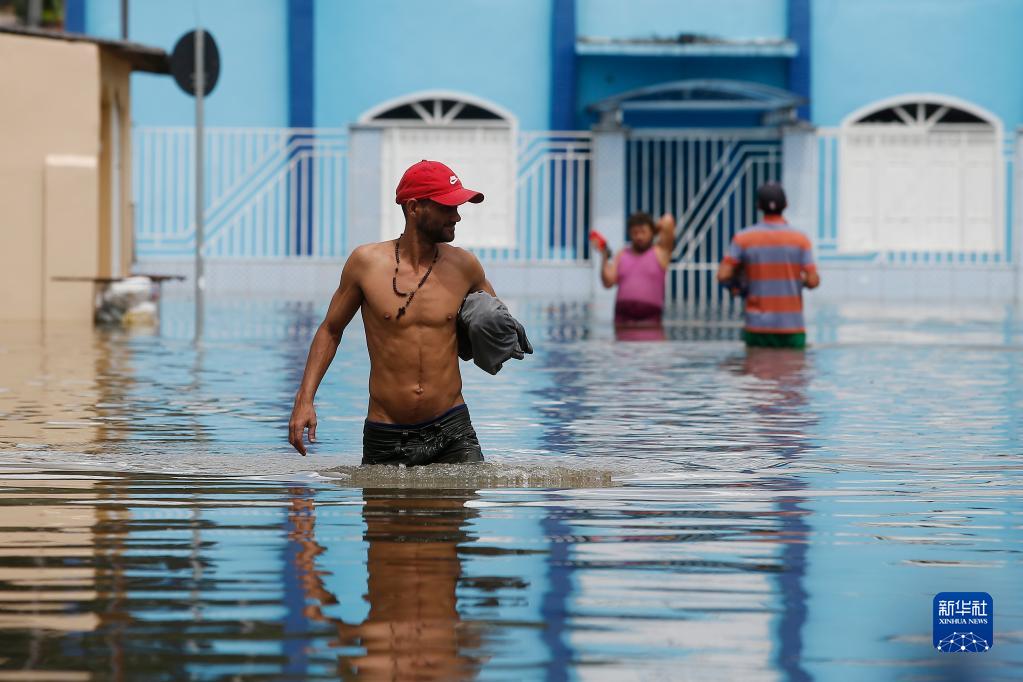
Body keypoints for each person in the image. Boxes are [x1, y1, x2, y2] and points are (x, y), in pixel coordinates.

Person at [288, 160, 505, 464]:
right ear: (414, 207)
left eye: (458, 207)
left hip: (453, 430)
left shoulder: (465, 266)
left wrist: (495, 335)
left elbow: (497, 325)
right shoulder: (366, 264)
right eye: (447, 207)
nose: (457, 216)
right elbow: (330, 330)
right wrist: (304, 399)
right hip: (386, 434)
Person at [716, 183, 820, 349]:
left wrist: (738, 285)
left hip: (757, 326)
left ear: (758, 206)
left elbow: (723, 275)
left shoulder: (743, 238)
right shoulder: (801, 239)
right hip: (792, 327)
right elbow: (813, 281)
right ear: (786, 205)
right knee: (794, 365)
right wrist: (797, 281)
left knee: (757, 363)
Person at [592, 212, 676, 326]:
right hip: (622, 318)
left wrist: (652, 229)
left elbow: (668, 220)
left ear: (651, 232)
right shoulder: (622, 254)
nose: (639, 237)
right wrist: (604, 255)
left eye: (643, 232)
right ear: (630, 234)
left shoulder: (661, 253)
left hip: (650, 319)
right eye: (635, 233)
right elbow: (608, 283)